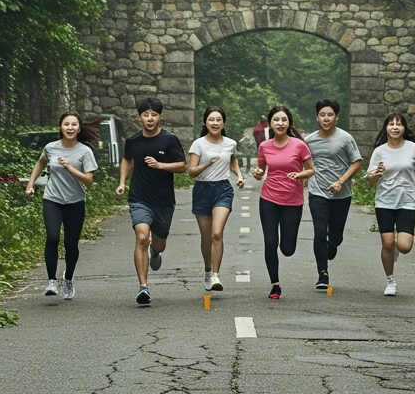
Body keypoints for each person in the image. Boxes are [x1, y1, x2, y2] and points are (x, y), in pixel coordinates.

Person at [116, 97, 186, 305]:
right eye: (145, 115)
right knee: (141, 237)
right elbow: (127, 160)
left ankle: (156, 251)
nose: (149, 118)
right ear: (139, 117)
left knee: (159, 242)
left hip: (163, 200)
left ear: (159, 116)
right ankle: (143, 287)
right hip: (139, 198)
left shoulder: (169, 140)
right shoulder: (133, 141)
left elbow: (182, 165)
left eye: (153, 115)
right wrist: (122, 182)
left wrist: (161, 166)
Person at [25, 112, 100, 300]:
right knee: (52, 237)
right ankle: (51, 281)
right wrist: (30, 183)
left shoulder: (84, 151)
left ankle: (68, 279)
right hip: (52, 199)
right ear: (60, 127)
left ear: (79, 128)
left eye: (74, 125)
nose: (70, 128)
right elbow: (41, 162)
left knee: (70, 244)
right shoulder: (51, 148)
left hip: (75, 202)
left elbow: (89, 180)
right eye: (66, 124)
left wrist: (70, 168)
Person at [252, 105, 314, 300]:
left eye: (284, 120)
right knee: (270, 242)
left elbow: (311, 170)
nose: (280, 123)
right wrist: (257, 173)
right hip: (269, 199)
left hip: (293, 201)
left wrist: (300, 174)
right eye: (276, 120)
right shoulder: (265, 146)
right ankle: (275, 285)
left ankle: (286, 250)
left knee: (287, 249)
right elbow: (260, 169)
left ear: (289, 123)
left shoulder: (299, 145)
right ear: (270, 123)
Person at [366, 112, 415, 297]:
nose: (395, 127)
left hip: (407, 200)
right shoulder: (379, 151)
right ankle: (390, 280)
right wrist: (377, 174)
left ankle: (395, 248)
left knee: (404, 246)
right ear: (386, 127)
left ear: (404, 128)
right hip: (385, 200)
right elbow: (371, 182)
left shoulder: (414, 149)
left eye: (399, 124)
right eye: (391, 124)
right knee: (387, 242)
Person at [305, 99, 362, 291]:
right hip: (317, 192)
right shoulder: (310, 140)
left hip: (342, 194)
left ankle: (333, 243)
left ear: (336, 117)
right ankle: (323, 274)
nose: (326, 118)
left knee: (335, 237)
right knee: (320, 232)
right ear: (317, 117)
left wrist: (340, 182)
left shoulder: (345, 138)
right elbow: (302, 163)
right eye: (322, 115)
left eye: (330, 115)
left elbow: (356, 162)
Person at [188, 106, 245, 292]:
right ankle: (207, 270)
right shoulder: (198, 144)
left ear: (223, 123)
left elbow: (232, 159)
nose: (215, 123)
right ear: (205, 122)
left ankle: (215, 275)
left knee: (216, 233)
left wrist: (239, 174)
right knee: (206, 238)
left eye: (219, 120)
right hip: (202, 190)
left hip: (223, 189)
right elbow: (191, 172)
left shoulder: (230, 143)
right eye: (211, 119)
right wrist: (207, 164)